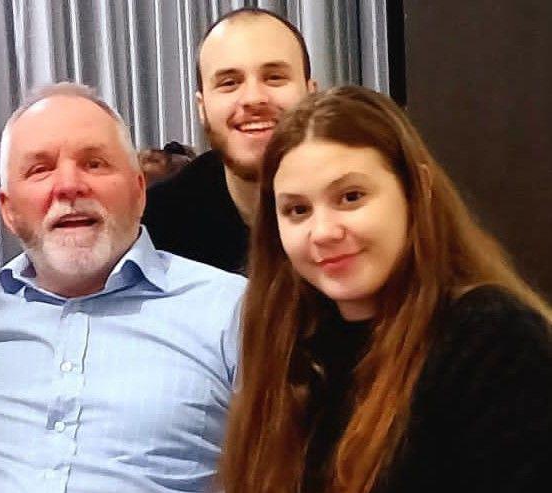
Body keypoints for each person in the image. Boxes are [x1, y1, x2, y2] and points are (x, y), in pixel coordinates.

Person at [221, 86, 552, 492]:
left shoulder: (491, 338)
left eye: (351, 197)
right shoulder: (295, 350)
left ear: (417, 190)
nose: (323, 232)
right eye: (298, 210)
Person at [0, 82, 246, 492]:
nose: (69, 185)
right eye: (40, 169)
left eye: (94, 163)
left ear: (139, 190)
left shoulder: (232, 310)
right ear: (8, 209)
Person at [143, 7, 317, 273]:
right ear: (202, 108)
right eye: (229, 83)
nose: (253, 98)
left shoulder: (368, 205)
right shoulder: (155, 228)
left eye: (274, 77)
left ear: (311, 93)